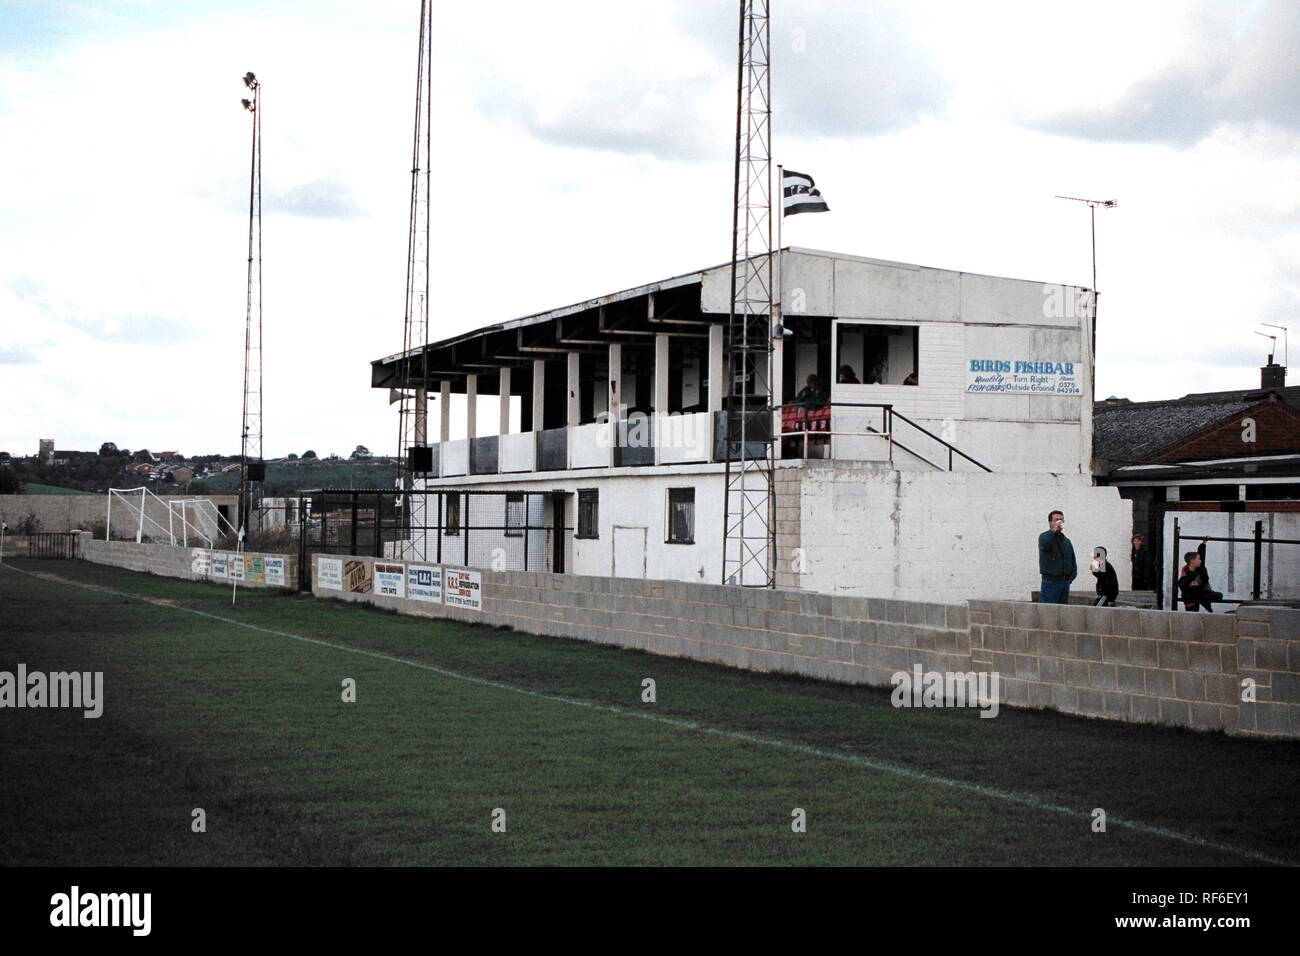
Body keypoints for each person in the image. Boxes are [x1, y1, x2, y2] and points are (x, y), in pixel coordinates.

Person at [1037, 510, 1077, 604]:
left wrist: (1071, 577)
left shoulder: (1066, 541)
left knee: (1062, 613)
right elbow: (1046, 544)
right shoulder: (1044, 537)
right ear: (1050, 522)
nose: (1059, 522)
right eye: (1056, 520)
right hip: (1050, 582)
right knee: (1049, 611)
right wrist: (1054, 530)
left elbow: (1072, 560)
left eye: (1061, 520)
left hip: (1064, 583)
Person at [1178, 537, 1223, 612]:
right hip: (1191, 596)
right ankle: (1201, 599)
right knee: (1191, 600)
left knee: (1219, 596)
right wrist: (1190, 585)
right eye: (1198, 559)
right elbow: (1181, 584)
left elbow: (1201, 554)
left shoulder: (1200, 568)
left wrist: (1204, 543)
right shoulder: (1185, 571)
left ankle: (1202, 599)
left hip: (1200, 592)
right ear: (1192, 561)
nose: (1200, 561)